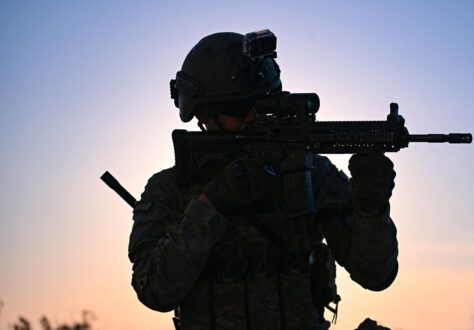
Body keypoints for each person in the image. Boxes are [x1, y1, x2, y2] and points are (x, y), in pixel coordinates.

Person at [128, 30, 399, 330]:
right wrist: (212, 204)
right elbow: (154, 290)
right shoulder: (171, 189)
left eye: (263, 103)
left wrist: (371, 209)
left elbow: (375, 274)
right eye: (239, 109)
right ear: (203, 116)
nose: (254, 117)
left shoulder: (309, 173)